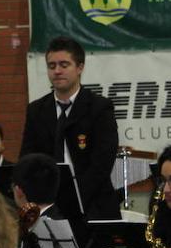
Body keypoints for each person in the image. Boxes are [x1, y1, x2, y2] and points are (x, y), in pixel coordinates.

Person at [20, 36, 120, 221]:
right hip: (47, 205)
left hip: (92, 205)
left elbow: (102, 163)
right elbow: (27, 158)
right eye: (51, 66)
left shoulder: (99, 107)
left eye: (64, 65)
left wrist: (71, 199)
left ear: (80, 67)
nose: (57, 71)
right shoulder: (36, 110)